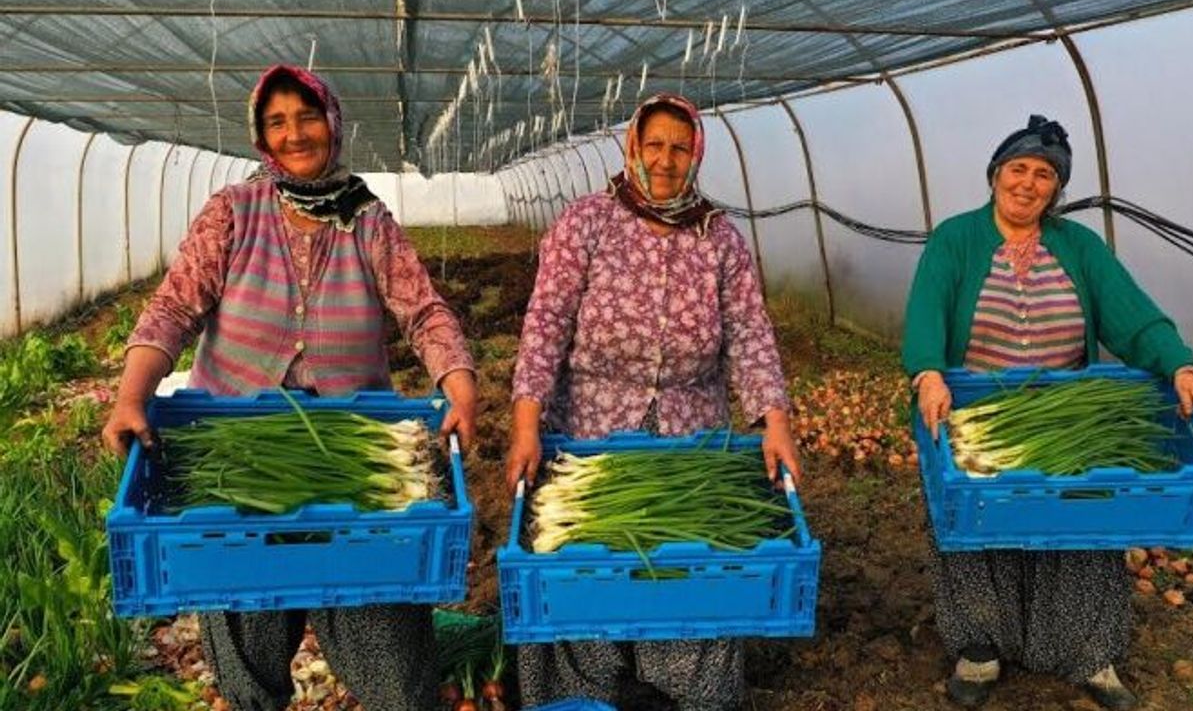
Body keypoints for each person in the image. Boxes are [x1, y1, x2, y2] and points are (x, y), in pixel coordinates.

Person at [101, 64, 478, 711]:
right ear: (261, 135)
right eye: (277, 121)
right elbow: (174, 307)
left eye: (306, 117)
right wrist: (132, 395)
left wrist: (460, 385)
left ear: (330, 122)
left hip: (353, 452)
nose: (295, 134)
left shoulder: (366, 219)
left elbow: (424, 310)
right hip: (236, 454)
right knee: (249, 639)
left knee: (388, 643)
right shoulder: (232, 213)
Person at [504, 93, 803, 710]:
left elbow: (749, 332)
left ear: (696, 154)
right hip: (590, 434)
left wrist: (775, 421)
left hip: (690, 439)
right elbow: (545, 328)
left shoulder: (719, 236)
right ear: (631, 148)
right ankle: (592, 690)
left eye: (679, 147)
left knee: (683, 568)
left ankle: (681, 690)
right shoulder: (585, 222)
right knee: (591, 567)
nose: (665, 160)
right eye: (654, 145)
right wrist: (525, 425)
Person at [902, 114, 1193, 710]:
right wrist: (928, 371)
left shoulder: (1079, 247)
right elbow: (926, 314)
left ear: (1057, 189)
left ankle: (1089, 656)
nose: (1028, 183)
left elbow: (1133, 316)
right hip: (977, 420)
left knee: (1082, 531)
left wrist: (1179, 363)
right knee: (977, 535)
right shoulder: (956, 238)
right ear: (995, 175)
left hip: (1071, 418)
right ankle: (980, 650)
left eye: (1044, 175)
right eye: (1017, 169)